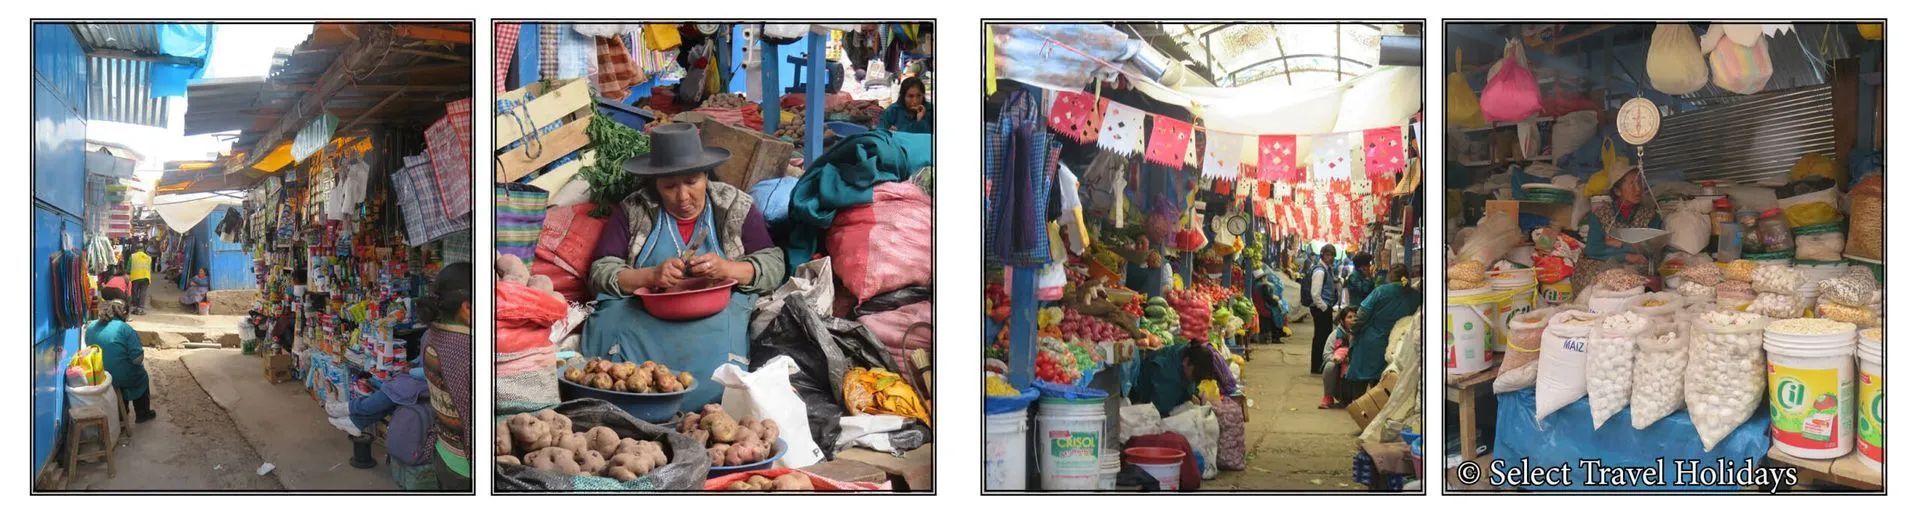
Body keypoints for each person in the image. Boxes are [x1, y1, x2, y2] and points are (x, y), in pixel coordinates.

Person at [585, 123, 786, 408]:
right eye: (670, 186)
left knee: (725, 341)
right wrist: (649, 275)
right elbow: (600, 272)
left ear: (706, 175)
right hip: (646, 313)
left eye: (692, 181)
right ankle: (629, 404)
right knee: (611, 321)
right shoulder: (635, 210)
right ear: (655, 184)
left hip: (714, 312)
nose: (682, 197)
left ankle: (709, 408)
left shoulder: (733, 206)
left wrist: (728, 269)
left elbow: (774, 264)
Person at [417, 262, 473, 491]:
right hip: (466, 468)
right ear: (467, 307)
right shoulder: (466, 348)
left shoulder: (429, 336)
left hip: (443, 452)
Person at [1573, 165, 1664, 293]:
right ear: (1617, 191)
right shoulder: (1600, 214)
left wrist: (1615, 244)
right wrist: (1627, 255)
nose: (1638, 189)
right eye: (1631, 184)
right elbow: (1593, 249)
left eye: (1639, 183)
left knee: (1638, 277)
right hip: (1602, 264)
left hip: (1636, 266)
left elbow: (1651, 248)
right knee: (1598, 280)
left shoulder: (1651, 216)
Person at [1343, 265, 1420, 388]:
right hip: (1398, 344)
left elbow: (1363, 314)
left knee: (1361, 380)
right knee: (1382, 383)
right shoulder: (1415, 295)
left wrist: (1354, 329)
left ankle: (1359, 405)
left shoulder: (1380, 291)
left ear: (1390, 275)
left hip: (1372, 340)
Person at [86, 300, 157, 422]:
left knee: (118, 375)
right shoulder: (125, 329)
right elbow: (137, 359)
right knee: (141, 376)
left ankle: (121, 414)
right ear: (124, 313)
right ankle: (142, 413)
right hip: (120, 375)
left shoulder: (91, 326)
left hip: (98, 375)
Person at [1307, 244, 1338, 375]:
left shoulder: (1327, 269)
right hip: (1321, 309)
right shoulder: (1320, 271)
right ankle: (1317, 366)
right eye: (1328, 255)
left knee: (1324, 336)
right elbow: (1315, 294)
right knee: (1321, 337)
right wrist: (1324, 308)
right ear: (1323, 255)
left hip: (1324, 308)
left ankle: (1319, 365)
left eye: (1332, 255)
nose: (1330, 258)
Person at [1320, 307, 1358, 409]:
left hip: (1356, 369)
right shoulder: (1335, 335)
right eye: (1349, 317)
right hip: (1339, 371)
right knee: (1330, 366)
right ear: (1342, 320)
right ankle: (1328, 396)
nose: (1353, 319)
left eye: (1355, 317)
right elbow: (1326, 355)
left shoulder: (1361, 334)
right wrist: (1340, 360)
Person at [127, 246, 152, 314]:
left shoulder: (132, 256)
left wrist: (128, 273)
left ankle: (135, 306)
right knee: (143, 292)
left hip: (135, 277)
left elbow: (128, 269)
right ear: (143, 250)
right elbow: (150, 268)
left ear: (136, 249)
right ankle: (141, 307)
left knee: (134, 292)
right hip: (146, 277)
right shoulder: (149, 258)